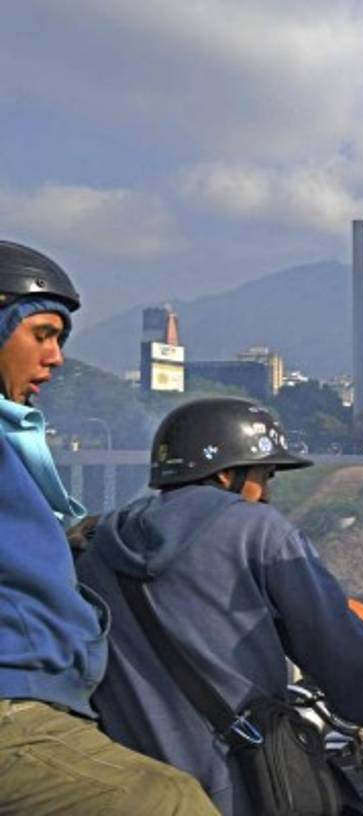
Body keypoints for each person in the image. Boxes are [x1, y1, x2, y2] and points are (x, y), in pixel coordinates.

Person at [75, 396, 363, 815]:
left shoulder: (97, 547)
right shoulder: (255, 531)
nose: (268, 495)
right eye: (264, 476)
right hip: (241, 788)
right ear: (224, 476)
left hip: (131, 790)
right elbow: (346, 658)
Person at [0, 239, 217, 813]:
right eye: (41, 334)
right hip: (12, 707)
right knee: (172, 801)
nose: (56, 358)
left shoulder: (13, 447)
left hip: (49, 693)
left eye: (61, 340)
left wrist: (72, 536)